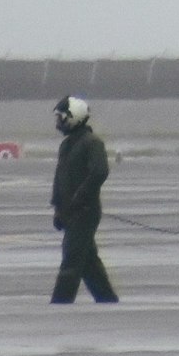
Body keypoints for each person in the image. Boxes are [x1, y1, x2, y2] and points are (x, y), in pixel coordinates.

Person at [49, 95, 117, 303]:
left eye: (61, 117)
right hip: (71, 212)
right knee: (89, 264)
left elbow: (99, 172)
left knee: (71, 260)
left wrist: (81, 196)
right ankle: (108, 301)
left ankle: (60, 304)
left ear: (73, 117)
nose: (58, 123)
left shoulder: (92, 143)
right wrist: (58, 208)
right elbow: (60, 179)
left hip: (85, 212)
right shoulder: (67, 145)